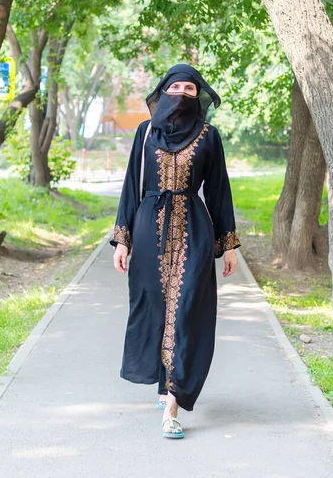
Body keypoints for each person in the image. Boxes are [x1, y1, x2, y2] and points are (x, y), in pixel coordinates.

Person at [110, 63, 241, 439]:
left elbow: (218, 191)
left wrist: (228, 244)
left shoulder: (209, 136)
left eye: (190, 88)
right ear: (163, 91)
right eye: (176, 87)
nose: (182, 93)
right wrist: (122, 239)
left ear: (198, 95)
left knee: (186, 311)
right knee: (153, 303)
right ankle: (164, 379)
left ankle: (173, 403)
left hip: (194, 232)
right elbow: (131, 186)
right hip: (149, 228)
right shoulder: (145, 132)